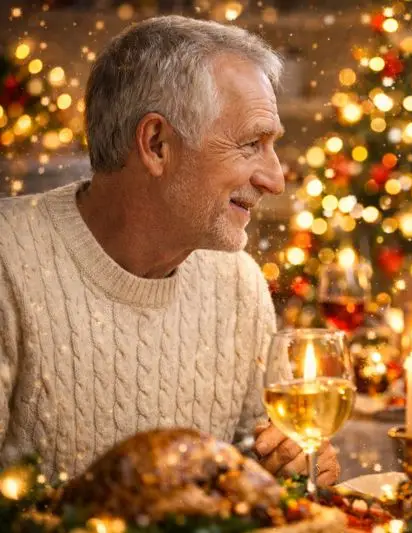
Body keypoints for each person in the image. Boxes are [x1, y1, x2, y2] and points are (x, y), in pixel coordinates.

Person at [0, 15, 339, 485]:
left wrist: (287, 468)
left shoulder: (237, 283)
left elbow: (253, 473)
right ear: (157, 144)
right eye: (251, 144)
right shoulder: (8, 261)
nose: (275, 179)